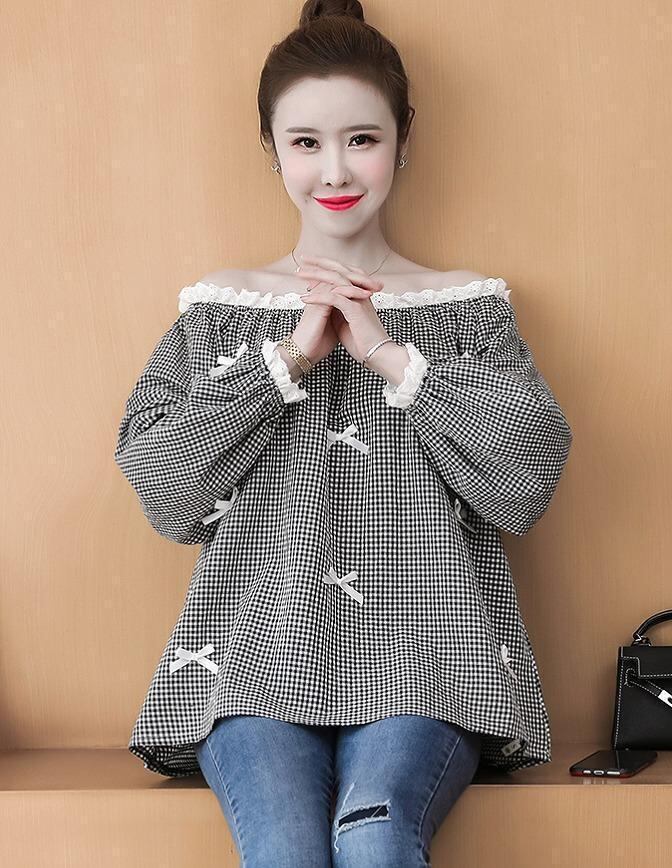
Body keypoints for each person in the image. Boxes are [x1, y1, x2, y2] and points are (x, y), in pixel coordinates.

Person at [113, 0, 574, 864]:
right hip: (253, 660)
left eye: (362, 138)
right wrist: (289, 357)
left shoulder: (468, 309)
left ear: (403, 140)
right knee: (285, 848)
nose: (335, 169)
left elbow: (525, 483)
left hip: (431, 659)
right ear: (271, 147)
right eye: (306, 141)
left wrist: (387, 354)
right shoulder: (219, 311)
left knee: (374, 836)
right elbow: (165, 492)